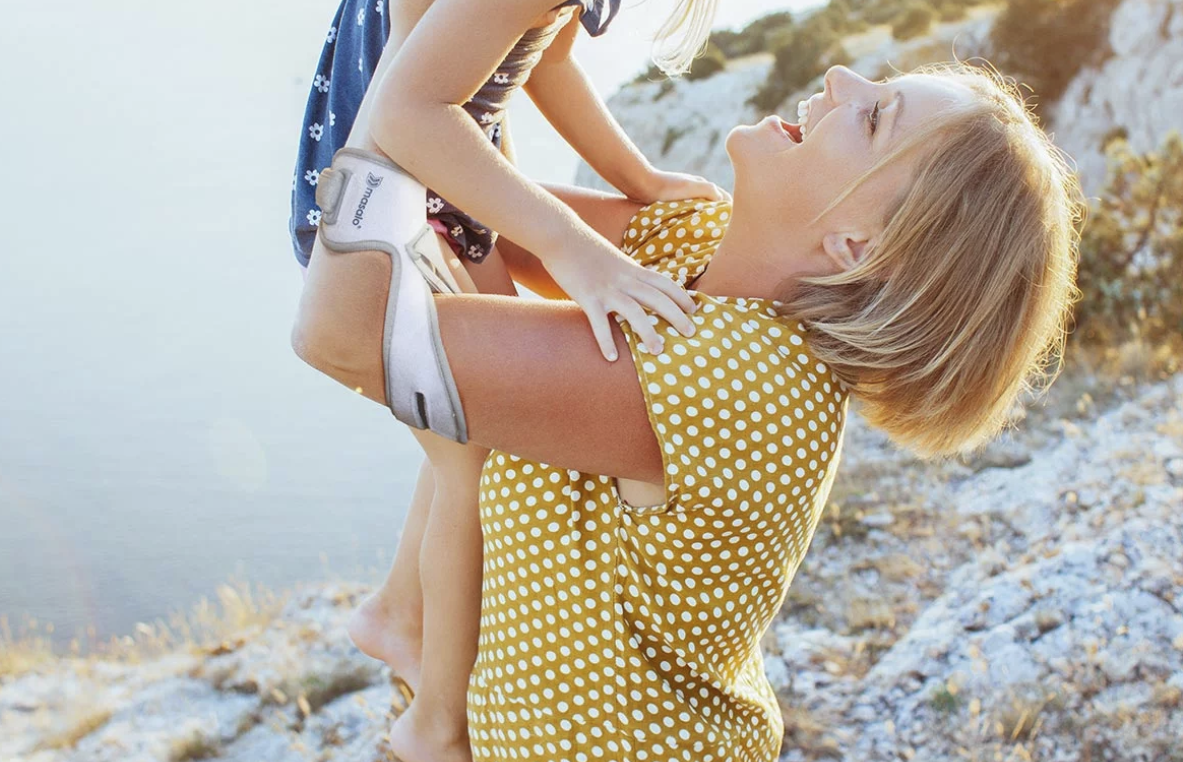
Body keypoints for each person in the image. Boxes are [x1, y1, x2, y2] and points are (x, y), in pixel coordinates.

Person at [288, 0, 844, 754]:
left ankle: (402, 617)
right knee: (474, 458)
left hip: (424, 182)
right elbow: (408, 105)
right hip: (397, 198)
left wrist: (633, 175)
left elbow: (544, 60)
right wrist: (577, 250)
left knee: (462, 446)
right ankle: (429, 704)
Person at [294, 59, 1082, 761]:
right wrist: (497, 28)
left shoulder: (747, 382)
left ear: (858, 247)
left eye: (874, 116)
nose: (842, 78)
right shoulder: (702, 249)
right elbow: (476, 213)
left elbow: (345, 335)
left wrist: (410, 71)